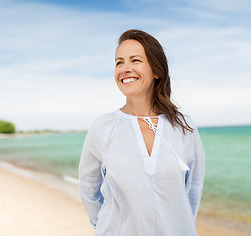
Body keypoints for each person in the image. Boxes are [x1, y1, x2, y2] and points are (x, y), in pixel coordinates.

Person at [79, 29, 205, 236]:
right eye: (119, 62)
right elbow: (89, 189)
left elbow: (193, 191)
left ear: (157, 71)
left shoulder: (184, 127)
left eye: (135, 60)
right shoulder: (102, 127)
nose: (125, 68)